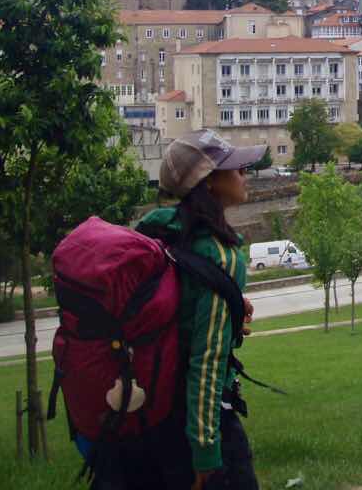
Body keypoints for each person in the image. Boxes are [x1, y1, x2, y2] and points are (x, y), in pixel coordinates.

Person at [137, 129, 267, 490]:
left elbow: (181, 306)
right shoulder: (219, 254)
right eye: (236, 169)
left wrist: (230, 303)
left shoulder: (164, 231)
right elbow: (206, 361)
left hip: (157, 412)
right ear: (208, 183)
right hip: (200, 423)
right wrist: (206, 453)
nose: (245, 175)